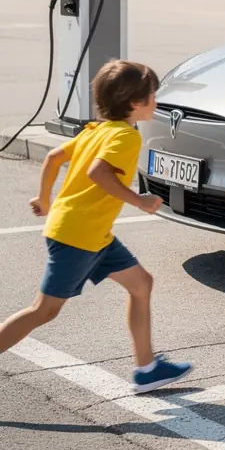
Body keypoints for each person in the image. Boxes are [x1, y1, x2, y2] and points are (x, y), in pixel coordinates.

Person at [0, 60, 193, 393]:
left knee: (141, 283)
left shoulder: (97, 130)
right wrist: (140, 201)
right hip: (79, 236)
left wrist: (44, 199)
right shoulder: (124, 138)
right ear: (135, 103)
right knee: (43, 310)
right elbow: (98, 174)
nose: (155, 102)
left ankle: (147, 368)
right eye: (152, 96)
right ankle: (147, 367)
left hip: (92, 234)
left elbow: (53, 158)